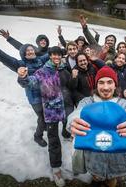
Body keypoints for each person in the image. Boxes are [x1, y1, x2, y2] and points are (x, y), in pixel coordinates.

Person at [0, 32, 52, 146]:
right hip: (35, 98)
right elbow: (5, 58)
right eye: (27, 51)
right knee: (42, 118)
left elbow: (51, 54)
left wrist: (64, 49)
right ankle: (37, 136)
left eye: (31, 49)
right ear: (23, 54)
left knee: (46, 116)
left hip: (45, 94)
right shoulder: (20, 64)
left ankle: (43, 126)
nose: (30, 51)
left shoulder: (40, 60)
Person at [67, 66, 126, 187]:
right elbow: (77, 113)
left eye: (110, 82)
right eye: (101, 82)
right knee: (96, 178)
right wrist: (73, 121)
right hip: (93, 160)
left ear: (115, 85)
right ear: (96, 85)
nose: (105, 87)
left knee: (112, 182)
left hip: (118, 162)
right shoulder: (88, 102)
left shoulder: (123, 103)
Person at [17, 46, 75, 187]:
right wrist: (22, 77)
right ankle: (56, 169)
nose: (56, 57)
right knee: (53, 139)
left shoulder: (65, 70)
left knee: (68, 128)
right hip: (51, 111)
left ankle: (66, 134)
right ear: (49, 56)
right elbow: (30, 82)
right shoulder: (42, 72)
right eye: (53, 55)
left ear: (62, 56)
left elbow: (71, 87)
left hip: (67, 107)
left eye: (58, 55)